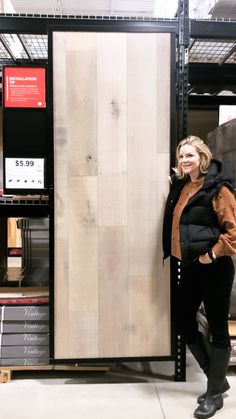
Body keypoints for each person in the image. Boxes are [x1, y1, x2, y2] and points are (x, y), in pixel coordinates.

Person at [162, 135, 236, 419]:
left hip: (214, 266)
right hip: (192, 265)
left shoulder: (219, 189)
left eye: (190, 156)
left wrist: (213, 255)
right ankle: (217, 378)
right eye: (181, 156)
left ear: (202, 157)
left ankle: (214, 394)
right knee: (183, 320)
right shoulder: (184, 185)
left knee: (217, 328)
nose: (184, 160)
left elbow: (233, 232)